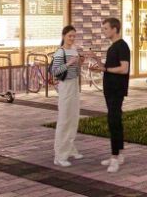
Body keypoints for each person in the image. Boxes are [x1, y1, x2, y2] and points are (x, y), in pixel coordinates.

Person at [91, 17, 130, 173]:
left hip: (116, 90)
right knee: (115, 121)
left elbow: (124, 69)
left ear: (114, 29)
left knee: (113, 122)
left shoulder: (122, 46)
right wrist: (97, 61)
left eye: (106, 28)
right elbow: (107, 67)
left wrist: (105, 69)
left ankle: (114, 158)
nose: (104, 31)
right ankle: (119, 155)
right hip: (109, 90)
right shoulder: (112, 47)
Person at [52, 25, 84, 167]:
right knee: (64, 120)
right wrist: (69, 63)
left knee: (73, 118)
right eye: (70, 36)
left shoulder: (74, 50)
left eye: (74, 36)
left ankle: (70, 148)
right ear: (63, 36)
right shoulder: (60, 52)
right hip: (65, 87)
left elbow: (75, 71)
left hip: (74, 85)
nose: (72, 38)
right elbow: (55, 71)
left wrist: (80, 63)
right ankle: (59, 156)